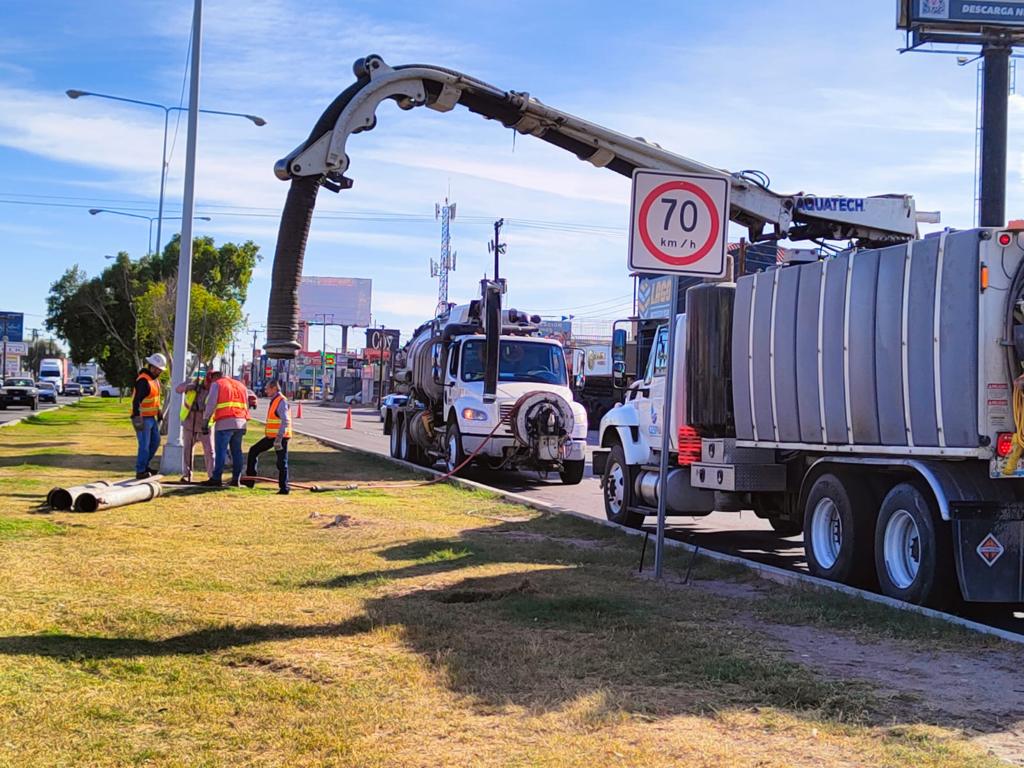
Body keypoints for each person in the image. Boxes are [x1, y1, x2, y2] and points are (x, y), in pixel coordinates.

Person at [200, 371, 249, 487]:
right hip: (240, 422)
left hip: (224, 423)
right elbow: (246, 404)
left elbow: (211, 404)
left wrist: (205, 420)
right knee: (237, 452)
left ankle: (216, 478)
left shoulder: (218, 384)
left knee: (221, 451)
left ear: (216, 377)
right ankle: (236, 479)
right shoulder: (241, 385)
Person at [245, 378, 291, 494]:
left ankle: (284, 488)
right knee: (253, 450)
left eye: (267, 388)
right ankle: (250, 481)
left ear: (274, 388)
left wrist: (279, 438)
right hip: (272, 437)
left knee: (281, 462)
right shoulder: (275, 400)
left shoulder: (281, 401)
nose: (265, 391)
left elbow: (285, 421)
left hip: (280, 437)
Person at [131, 353, 167, 479]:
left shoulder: (154, 380)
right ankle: (141, 470)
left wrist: (159, 411)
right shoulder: (143, 380)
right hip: (143, 418)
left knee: (155, 442)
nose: (160, 372)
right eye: (158, 369)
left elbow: (154, 399)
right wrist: (137, 417)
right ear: (152, 367)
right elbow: (136, 401)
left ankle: (145, 465)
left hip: (151, 417)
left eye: (160, 370)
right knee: (144, 445)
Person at [175, 372, 213, 483]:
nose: (209, 385)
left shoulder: (215, 388)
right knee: (187, 450)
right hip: (189, 423)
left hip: (205, 425)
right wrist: (190, 387)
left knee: (210, 451)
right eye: (208, 383)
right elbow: (178, 389)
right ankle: (186, 475)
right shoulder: (194, 381)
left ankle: (212, 476)